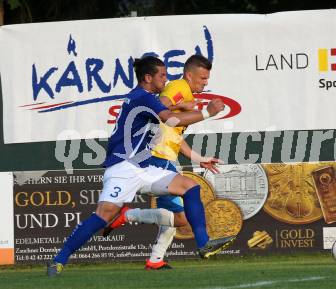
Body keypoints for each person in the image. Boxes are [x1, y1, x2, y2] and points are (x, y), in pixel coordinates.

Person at [47, 56, 231, 277]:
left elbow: (167, 118)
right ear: (147, 77)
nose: (166, 79)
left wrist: (181, 111)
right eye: (161, 75)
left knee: (190, 187)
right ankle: (58, 260)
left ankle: (204, 244)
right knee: (103, 215)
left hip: (143, 167)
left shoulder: (145, 98)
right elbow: (172, 121)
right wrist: (207, 112)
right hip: (123, 167)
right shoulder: (142, 97)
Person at [103, 55, 235, 270]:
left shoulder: (184, 92)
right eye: (202, 78)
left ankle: (155, 258)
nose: (205, 82)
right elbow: (160, 109)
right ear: (189, 75)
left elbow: (174, 135)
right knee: (182, 216)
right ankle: (133, 219)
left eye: (207, 78)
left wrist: (199, 159)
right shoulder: (179, 86)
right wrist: (184, 107)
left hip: (166, 154)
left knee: (179, 218)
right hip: (158, 155)